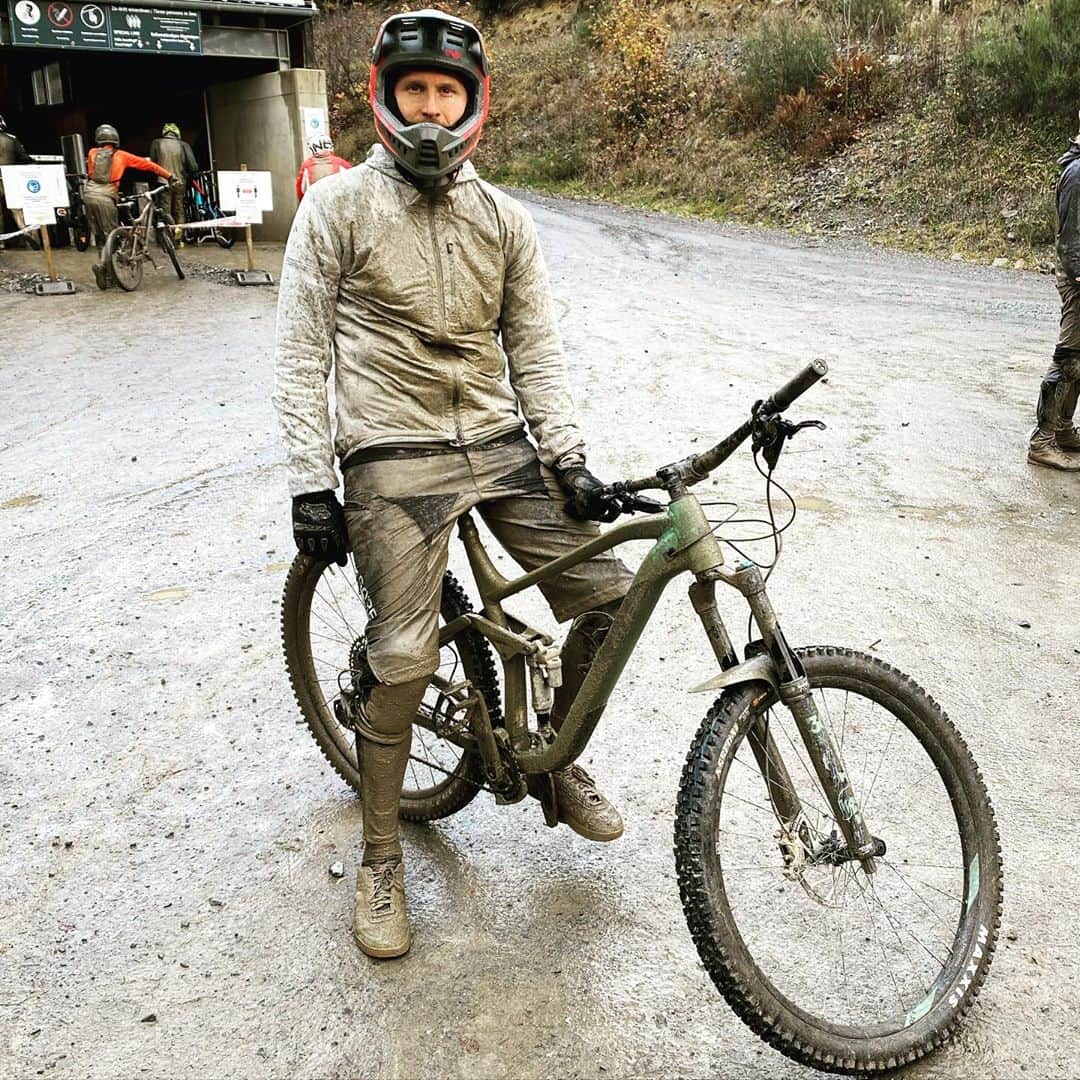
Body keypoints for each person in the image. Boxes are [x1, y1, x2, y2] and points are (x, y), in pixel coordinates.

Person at [274, 8, 641, 960]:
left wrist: (568, 458)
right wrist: (313, 482)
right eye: (414, 91)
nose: (431, 111)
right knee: (401, 657)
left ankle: (555, 761)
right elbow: (298, 354)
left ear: (473, 102)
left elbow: (537, 351)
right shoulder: (338, 209)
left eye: (447, 92)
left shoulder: (504, 219)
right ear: (384, 98)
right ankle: (384, 853)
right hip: (390, 455)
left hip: (498, 441)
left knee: (613, 595)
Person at [1028, 114, 1080, 471]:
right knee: (1068, 358)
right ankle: (1041, 442)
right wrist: (1079, 274)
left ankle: (1062, 430)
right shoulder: (1077, 173)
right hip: (1078, 278)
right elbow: (1071, 232)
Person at [84, 123, 172, 290]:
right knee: (112, 235)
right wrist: (169, 175)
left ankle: (105, 270)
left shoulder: (92, 153)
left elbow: (91, 173)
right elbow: (149, 165)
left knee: (100, 234)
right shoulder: (122, 155)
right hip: (106, 195)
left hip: (88, 194)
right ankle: (105, 268)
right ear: (115, 140)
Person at [149, 122, 199, 241]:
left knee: (165, 210)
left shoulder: (157, 143)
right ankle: (179, 237)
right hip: (180, 181)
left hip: (163, 182)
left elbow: (152, 163)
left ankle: (167, 238)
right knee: (179, 208)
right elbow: (193, 166)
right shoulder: (184, 145)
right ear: (177, 133)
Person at [0, 114, 32, 247]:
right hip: (10, 177)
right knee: (16, 208)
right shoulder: (12, 139)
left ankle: (1, 242)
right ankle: (26, 231)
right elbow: (24, 158)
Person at [295, 134, 351, 201]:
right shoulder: (341, 163)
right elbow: (353, 182)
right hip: (337, 203)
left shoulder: (306, 165)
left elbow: (301, 191)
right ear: (330, 146)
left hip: (315, 204)